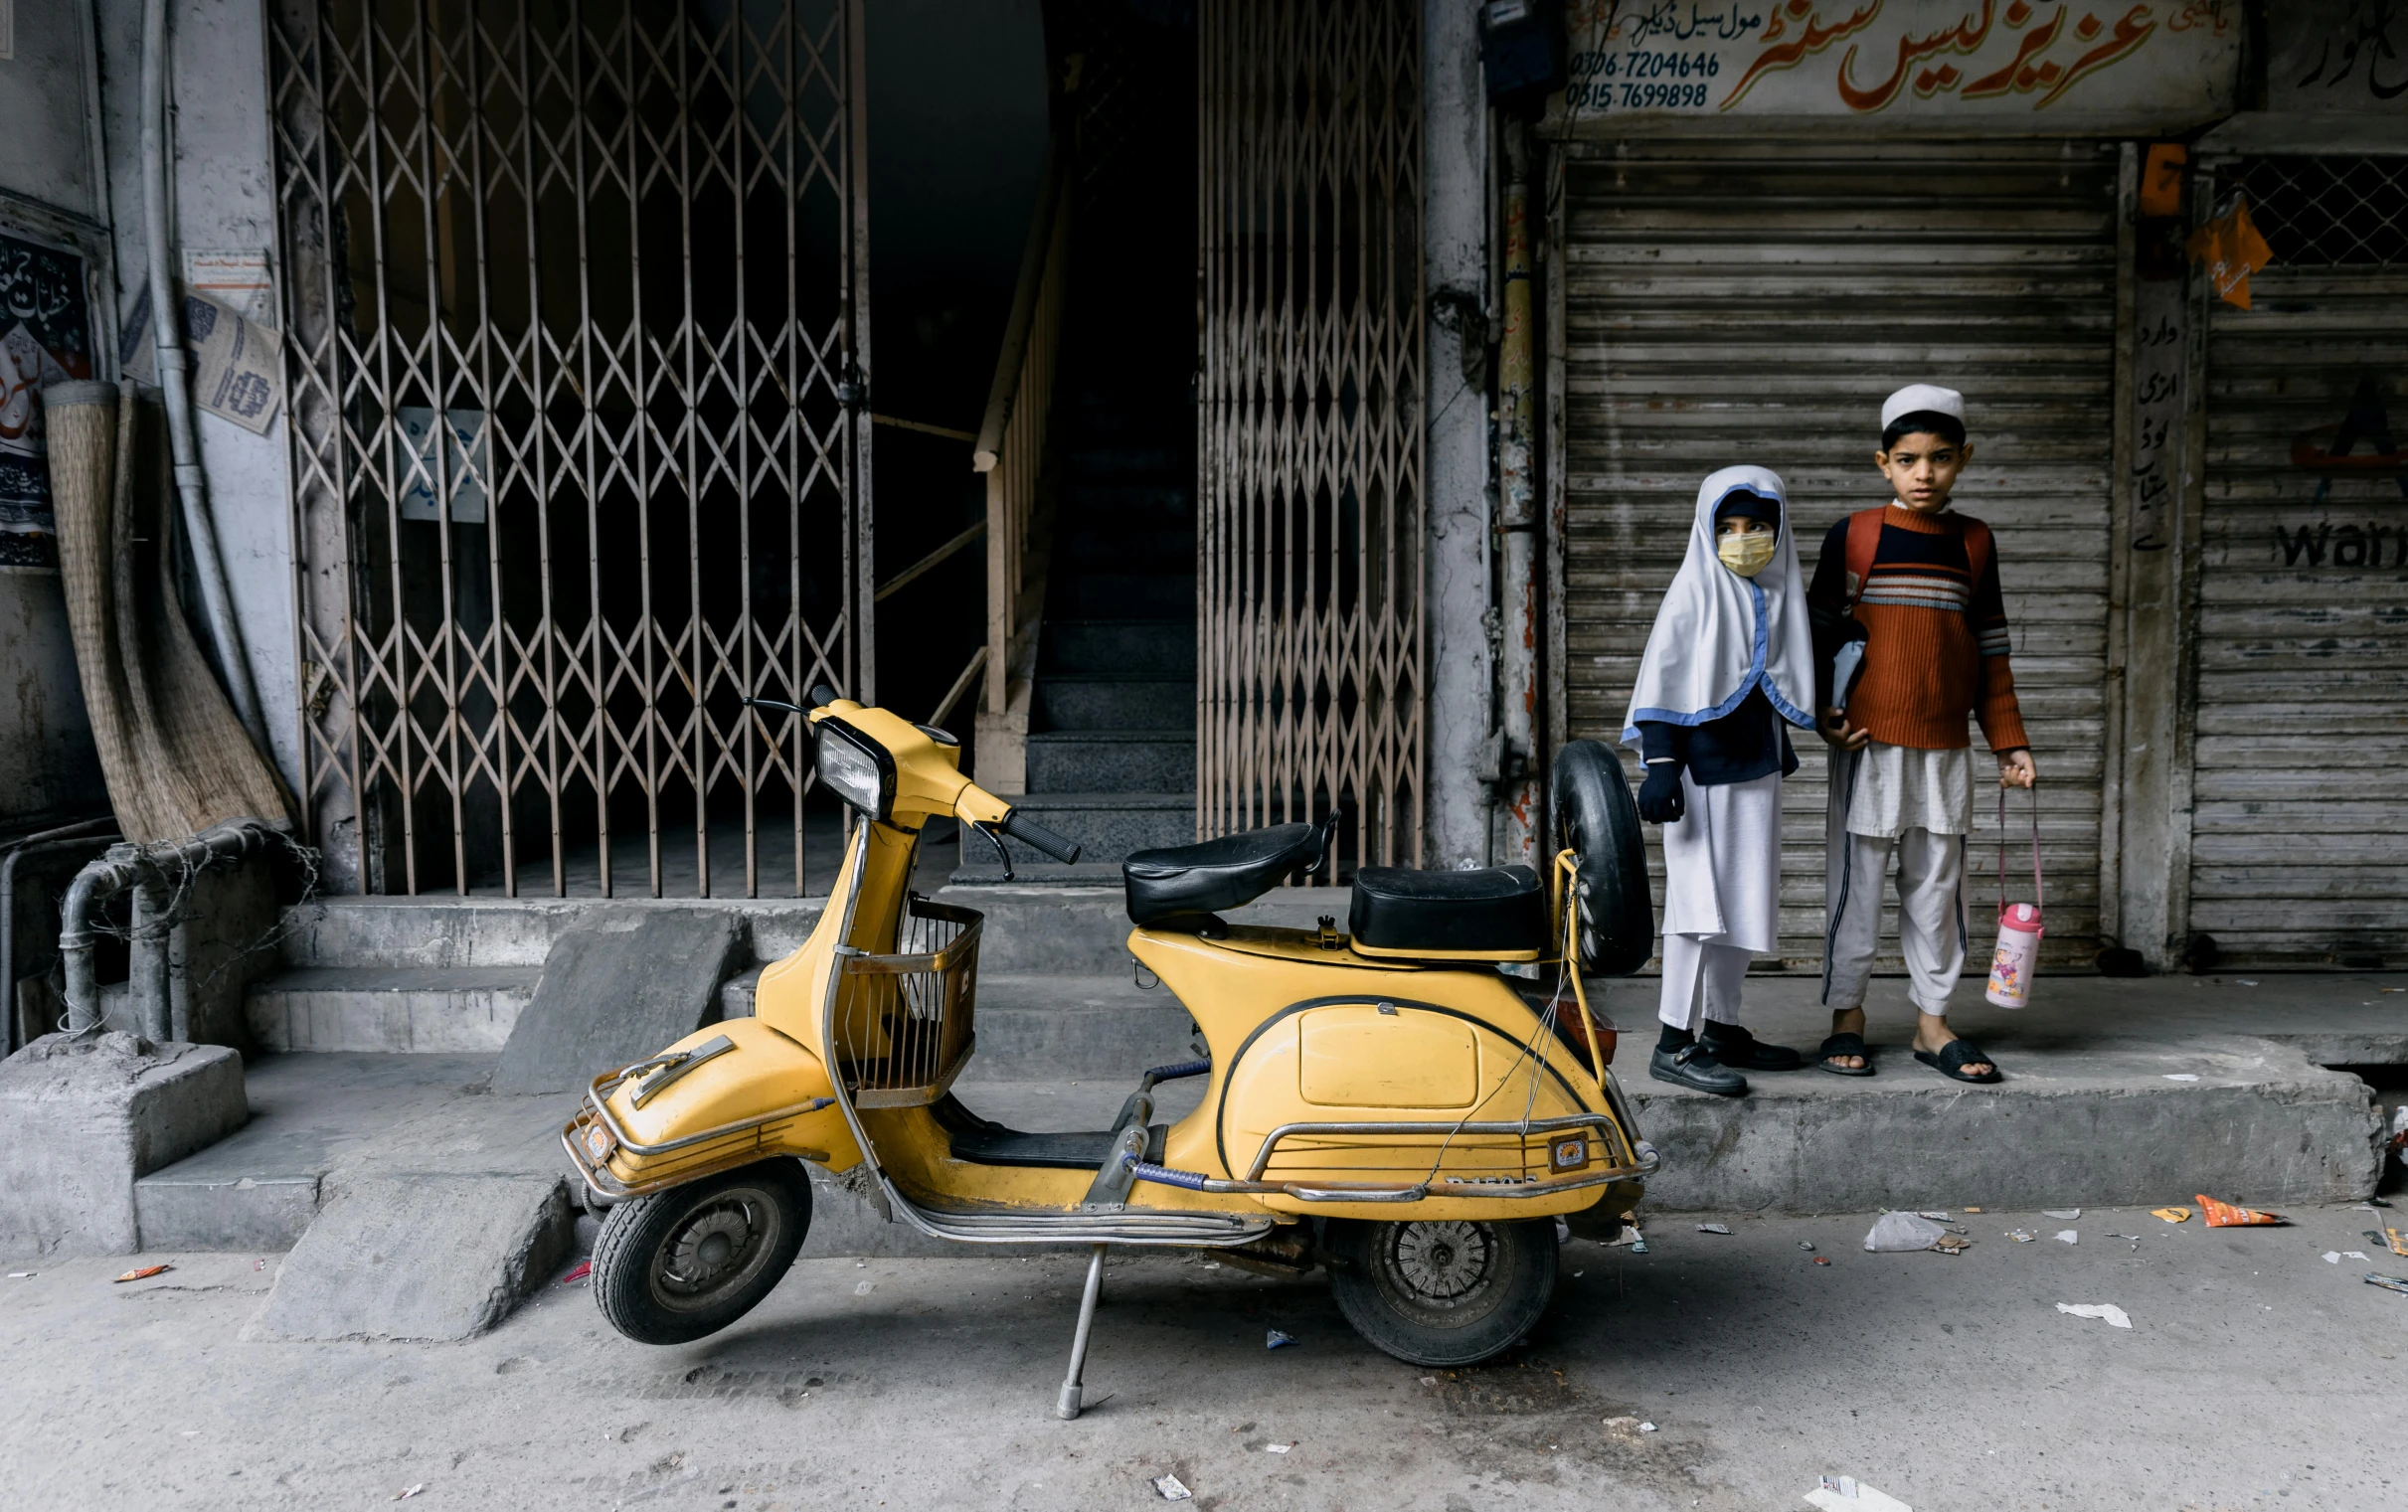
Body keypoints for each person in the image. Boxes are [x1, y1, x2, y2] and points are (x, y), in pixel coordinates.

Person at [1806, 385, 2037, 1085]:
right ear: (1883, 463)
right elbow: (1815, 635)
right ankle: (1847, 1015)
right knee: (1856, 886)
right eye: (1908, 459)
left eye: (1940, 458)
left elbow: (1991, 648)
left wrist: (2010, 741)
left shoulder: (1975, 541)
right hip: (1869, 744)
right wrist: (1822, 712)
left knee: (1939, 893)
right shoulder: (1855, 535)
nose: (1924, 473)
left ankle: (1933, 1023)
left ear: (1963, 459)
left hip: (1945, 750)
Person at [1624, 465, 1817, 1096]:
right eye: (1728, 527)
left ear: (1780, 528)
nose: (1743, 539)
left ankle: (1721, 1028)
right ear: (1706, 530)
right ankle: (1672, 1043)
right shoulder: (1691, 595)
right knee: (1695, 913)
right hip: (1695, 785)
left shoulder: (1780, 596)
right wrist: (1659, 768)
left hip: (1754, 778)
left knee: (1740, 910)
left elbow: (1781, 682)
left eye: (1758, 526)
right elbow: (1663, 685)